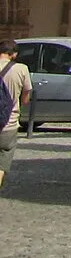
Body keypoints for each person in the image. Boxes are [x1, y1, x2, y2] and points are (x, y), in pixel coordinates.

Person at [0, 38, 29, 190]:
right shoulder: (21, 69)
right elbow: (26, 95)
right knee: (4, 155)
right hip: (8, 122)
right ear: (14, 54)